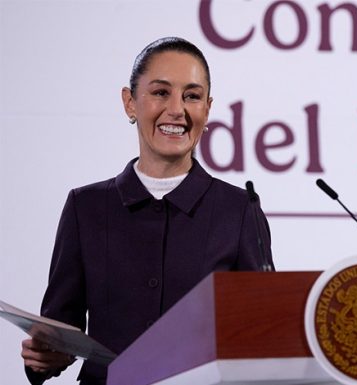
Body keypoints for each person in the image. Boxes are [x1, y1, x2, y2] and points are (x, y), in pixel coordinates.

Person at [20, 37, 273, 385]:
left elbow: (267, 334)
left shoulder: (239, 210)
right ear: (130, 103)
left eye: (192, 96)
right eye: (160, 93)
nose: (177, 110)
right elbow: (58, 331)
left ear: (207, 109)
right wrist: (43, 357)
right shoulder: (86, 207)